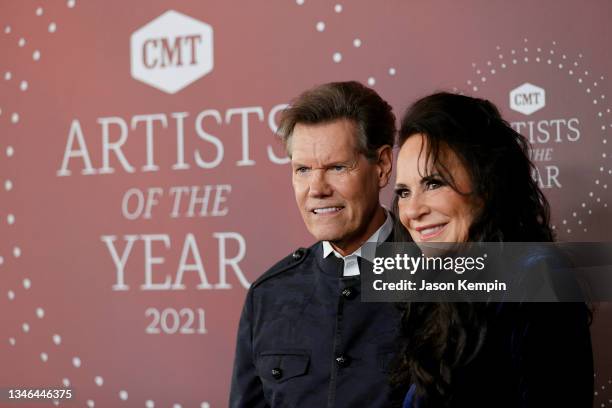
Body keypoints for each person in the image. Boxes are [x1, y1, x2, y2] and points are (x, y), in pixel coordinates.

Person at [390, 92, 594, 408]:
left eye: (433, 183)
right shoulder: (440, 288)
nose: (412, 210)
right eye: (403, 192)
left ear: (487, 182)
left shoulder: (539, 276)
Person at [229, 81, 400, 407]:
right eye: (303, 170)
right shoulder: (268, 295)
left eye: (337, 167)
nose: (317, 188)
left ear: (382, 166)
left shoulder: (444, 275)